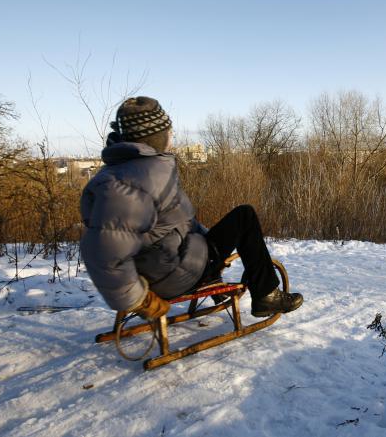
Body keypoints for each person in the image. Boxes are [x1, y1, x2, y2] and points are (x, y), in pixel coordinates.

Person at [79, 96, 303, 322]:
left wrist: (212, 242)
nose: (172, 137)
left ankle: (214, 273)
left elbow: (173, 224)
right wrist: (139, 300)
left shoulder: (120, 174)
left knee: (217, 233)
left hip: (166, 264)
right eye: (169, 132)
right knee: (245, 216)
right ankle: (266, 294)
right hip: (175, 274)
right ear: (156, 138)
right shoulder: (143, 180)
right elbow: (104, 251)